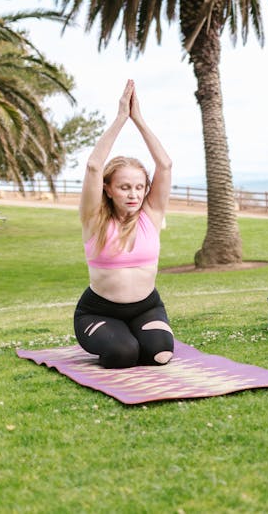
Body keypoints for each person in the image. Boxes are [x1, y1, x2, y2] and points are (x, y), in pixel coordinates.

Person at [76, 79, 174, 368]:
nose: (133, 194)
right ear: (108, 188)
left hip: (147, 307)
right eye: (124, 187)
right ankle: (119, 337)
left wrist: (139, 120)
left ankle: (135, 334)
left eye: (139, 187)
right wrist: (121, 118)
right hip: (98, 311)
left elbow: (165, 165)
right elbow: (94, 166)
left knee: (160, 355)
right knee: (122, 355)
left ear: (146, 189)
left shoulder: (151, 214)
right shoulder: (94, 218)